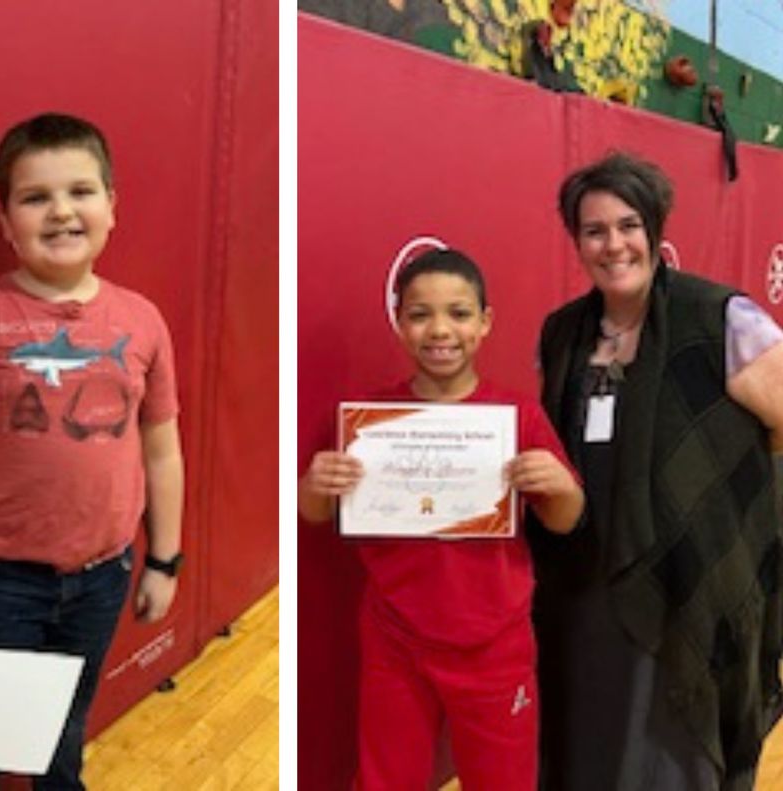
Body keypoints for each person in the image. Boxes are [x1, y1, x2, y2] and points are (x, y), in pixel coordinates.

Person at [0, 112, 185, 790]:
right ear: (7, 221)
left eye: (80, 191)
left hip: (102, 575)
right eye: (35, 197)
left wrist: (165, 558)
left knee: (63, 732)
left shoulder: (143, 320)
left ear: (112, 207)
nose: (61, 210)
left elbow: (162, 451)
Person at [530, 151, 783, 791]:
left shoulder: (720, 318)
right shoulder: (562, 333)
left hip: (694, 580)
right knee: (589, 738)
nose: (614, 244)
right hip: (584, 584)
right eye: (595, 230)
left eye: (628, 225)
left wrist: (715, 495)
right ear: (576, 241)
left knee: (674, 755)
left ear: (654, 228)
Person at [299, 248, 584, 791]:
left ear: (485, 322)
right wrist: (313, 486)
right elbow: (313, 511)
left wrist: (559, 484)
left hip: (495, 640)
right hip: (395, 636)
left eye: (458, 313)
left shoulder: (517, 415)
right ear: (399, 323)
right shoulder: (370, 420)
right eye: (419, 314)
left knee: (503, 780)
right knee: (388, 779)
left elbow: (566, 518)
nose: (440, 330)